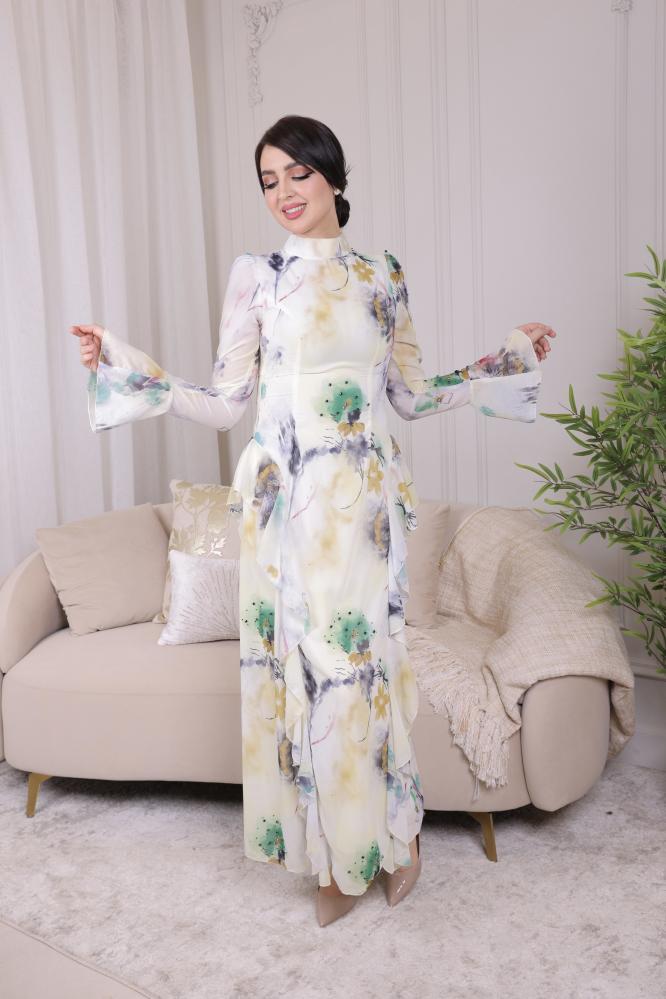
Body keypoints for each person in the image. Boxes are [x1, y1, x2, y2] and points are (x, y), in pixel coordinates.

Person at [70, 114, 556, 928]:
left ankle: (394, 837)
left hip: (363, 511)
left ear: (331, 174)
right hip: (285, 511)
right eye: (269, 181)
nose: (284, 192)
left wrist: (507, 363)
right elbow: (225, 401)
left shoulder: (382, 274)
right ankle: (336, 855)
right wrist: (122, 365)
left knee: (364, 674)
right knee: (309, 678)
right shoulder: (255, 277)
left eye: (297, 173)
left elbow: (410, 396)